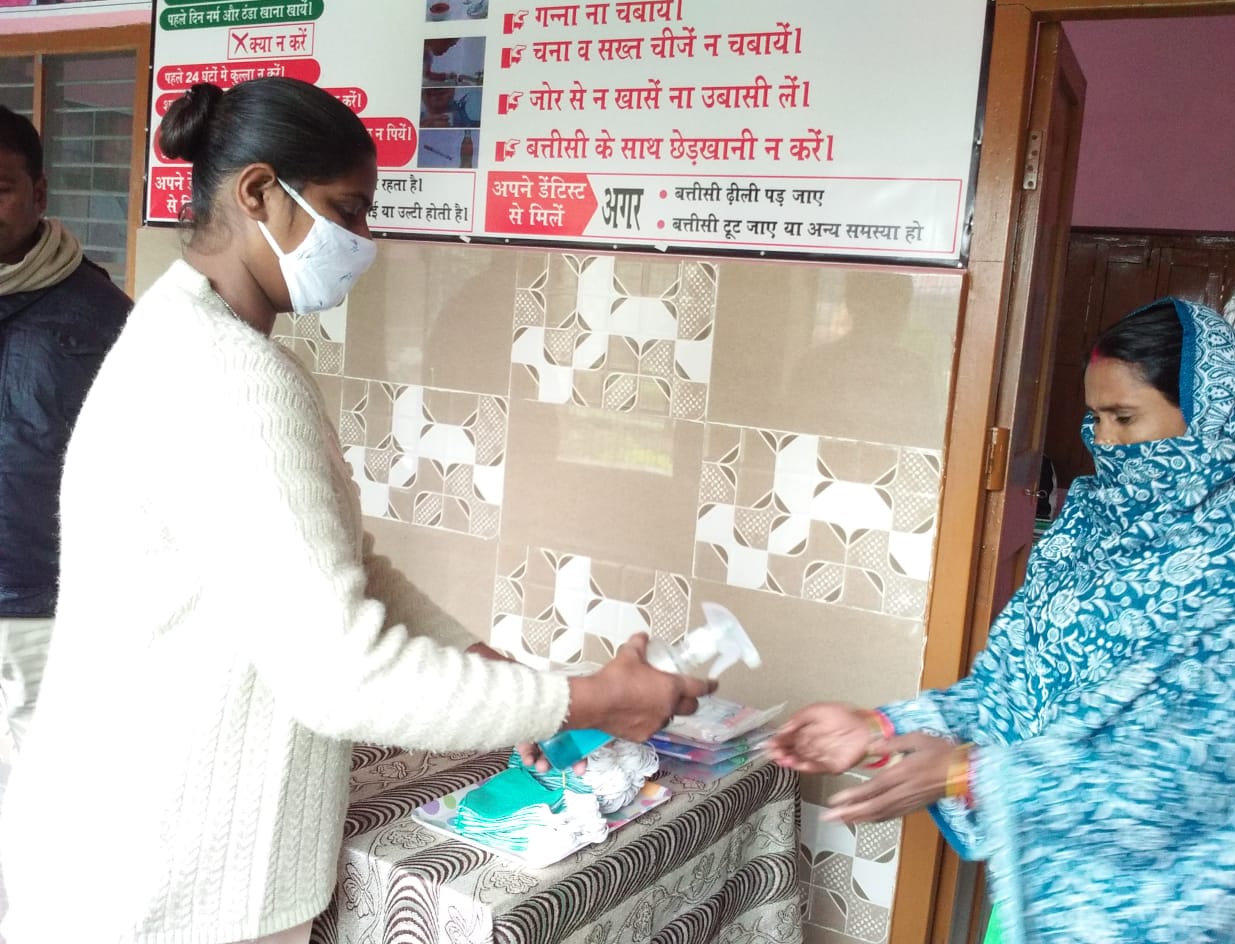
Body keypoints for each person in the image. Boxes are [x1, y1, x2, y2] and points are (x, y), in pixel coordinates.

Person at [0, 77, 711, 944]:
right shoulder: (228, 378)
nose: (363, 242)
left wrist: (491, 668)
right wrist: (585, 701)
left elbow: (341, 563)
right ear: (258, 192)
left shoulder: (185, 331)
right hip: (168, 877)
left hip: (127, 838)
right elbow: (344, 676)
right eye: (348, 210)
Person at [769, 299, 1235, 942]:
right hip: (1047, 892)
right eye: (1095, 418)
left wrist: (970, 772)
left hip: (1184, 909)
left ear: (1212, 414)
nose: (1105, 442)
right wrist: (882, 727)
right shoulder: (1091, 526)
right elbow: (1011, 688)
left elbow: (1205, 770)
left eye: (1124, 417)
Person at [0, 103, 131, 750]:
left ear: (39, 193)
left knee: (29, 773)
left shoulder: (102, 316)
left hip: (39, 602)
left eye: (0, 188)